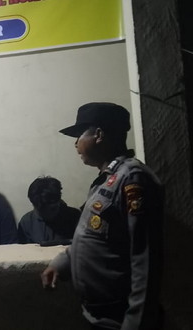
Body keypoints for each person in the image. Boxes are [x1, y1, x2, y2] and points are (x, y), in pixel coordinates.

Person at [41, 102, 163, 330]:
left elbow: (145, 260)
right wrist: (62, 263)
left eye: (79, 135)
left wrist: (136, 322)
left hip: (120, 317)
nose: (76, 144)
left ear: (98, 135)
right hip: (97, 315)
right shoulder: (106, 181)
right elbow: (94, 237)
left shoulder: (132, 179)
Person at [17, 176, 81, 245]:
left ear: (59, 201)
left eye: (52, 209)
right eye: (41, 211)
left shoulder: (76, 217)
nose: (47, 214)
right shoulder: (26, 222)